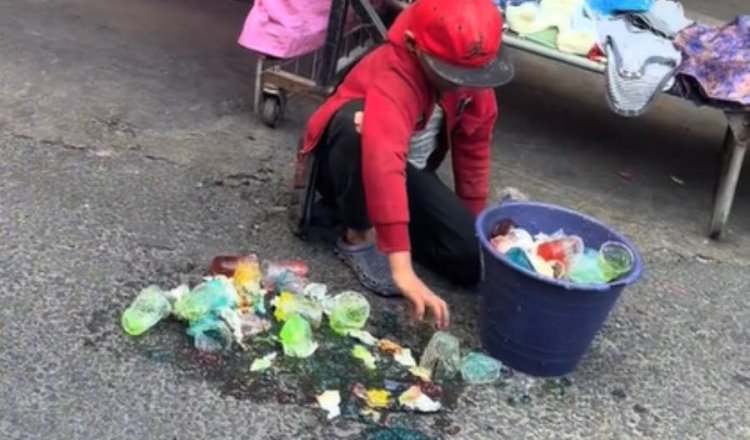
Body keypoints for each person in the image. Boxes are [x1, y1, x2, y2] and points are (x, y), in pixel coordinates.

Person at [294, 0, 513, 329]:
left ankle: (388, 218)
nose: (462, 84)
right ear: (413, 44)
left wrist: (475, 226)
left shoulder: (474, 78)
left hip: (408, 171)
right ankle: (358, 233)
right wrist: (402, 268)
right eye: (451, 75)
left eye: (472, 75)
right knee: (358, 129)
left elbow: (474, 152)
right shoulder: (396, 71)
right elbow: (384, 160)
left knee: (470, 260)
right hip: (345, 159)